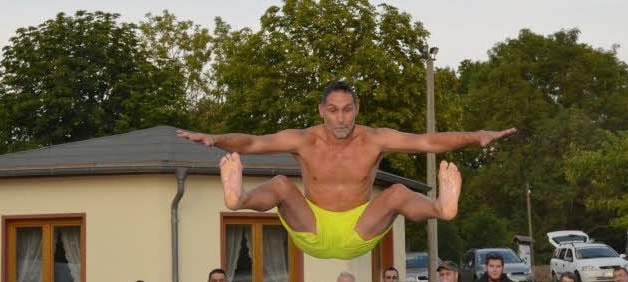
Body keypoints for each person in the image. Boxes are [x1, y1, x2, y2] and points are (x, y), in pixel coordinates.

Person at [177, 80, 516, 260]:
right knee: (281, 184)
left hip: (359, 230)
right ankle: (239, 199)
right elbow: (251, 143)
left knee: (396, 193)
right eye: (334, 110)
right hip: (312, 228)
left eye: (348, 110)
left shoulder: (375, 139)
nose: (341, 119)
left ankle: (440, 209)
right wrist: (214, 138)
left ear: (357, 109)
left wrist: (477, 136)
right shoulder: (303, 139)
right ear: (322, 110)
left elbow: (426, 142)